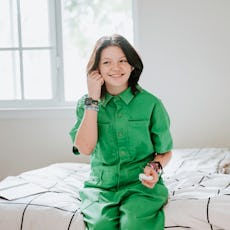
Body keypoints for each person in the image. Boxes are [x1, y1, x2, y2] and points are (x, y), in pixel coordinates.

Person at [69, 34, 173, 230]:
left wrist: (155, 168)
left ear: (132, 66)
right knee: (101, 225)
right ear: (97, 69)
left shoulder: (151, 103)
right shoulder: (86, 103)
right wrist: (93, 99)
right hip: (100, 188)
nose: (115, 68)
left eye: (123, 61)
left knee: (133, 223)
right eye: (107, 62)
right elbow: (85, 148)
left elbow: (165, 151)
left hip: (141, 187)